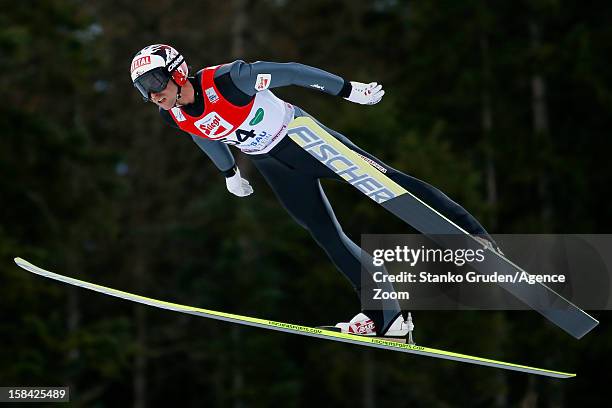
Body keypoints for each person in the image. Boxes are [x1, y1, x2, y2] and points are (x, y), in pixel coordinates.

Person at [130, 44, 495, 338]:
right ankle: (385, 316)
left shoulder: (230, 80)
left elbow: (292, 72)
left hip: (303, 140)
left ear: (177, 72)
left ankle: (474, 235)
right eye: (144, 89)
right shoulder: (172, 113)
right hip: (273, 164)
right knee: (325, 233)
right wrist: (228, 172)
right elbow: (200, 135)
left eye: (156, 82)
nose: (154, 94)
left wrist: (348, 90)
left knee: (390, 184)